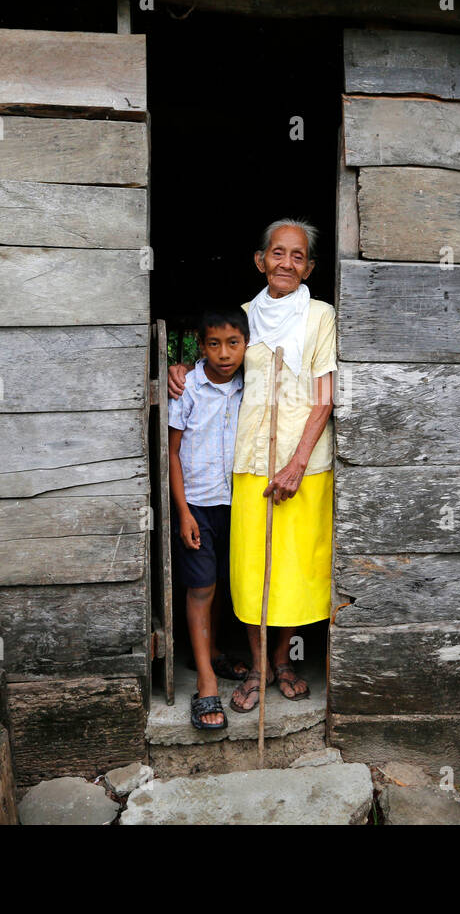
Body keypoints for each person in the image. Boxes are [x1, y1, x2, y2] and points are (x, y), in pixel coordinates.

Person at [168, 218, 335, 715]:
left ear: (309, 267)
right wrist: (181, 370)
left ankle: (284, 660)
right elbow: (212, 364)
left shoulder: (320, 316)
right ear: (260, 260)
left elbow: (325, 396)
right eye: (278, 253)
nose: (287, 262)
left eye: (298, 256)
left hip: (303, 464)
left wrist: (296, 463)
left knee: (291, 568)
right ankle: (260, 665)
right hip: (246, 464)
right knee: (250, 568)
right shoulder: (242, 316)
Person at [167, 304, 248, 729]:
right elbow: (173, 453)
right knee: (201, 589)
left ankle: (214, 652)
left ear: (246, 345)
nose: (223, 353)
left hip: (238, 503)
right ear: (200, 347)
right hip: (197, 504)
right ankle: (206, 681)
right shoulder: (188, 389)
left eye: (233, 343)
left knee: (223, 586)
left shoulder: (249, 385)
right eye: (213, 344)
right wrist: (182, 512)